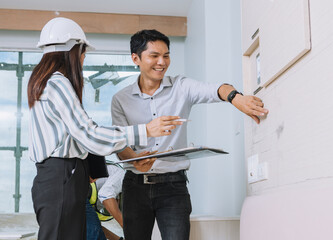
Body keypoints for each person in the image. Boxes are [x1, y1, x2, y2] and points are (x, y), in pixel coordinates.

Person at [28, 18, 181, 240]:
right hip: (62, 177)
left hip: (57, 177)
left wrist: (129, 157)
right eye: (83, 54)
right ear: (75, 50)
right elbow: (89, 134)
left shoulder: (41, 81)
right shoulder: (58, 82)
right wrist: (145, 130)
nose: (82, 60)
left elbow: (76, 136)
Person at [111, 29, 269, 240]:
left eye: (166, 55)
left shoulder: (181, 86)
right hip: (134, 187)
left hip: (173, 187)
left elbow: (216, 89)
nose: (162, 62)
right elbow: (120, 145)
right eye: (154, 56)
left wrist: (235, 98)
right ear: (135, 58)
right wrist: (135, 160)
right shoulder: (120, 100)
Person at [86, 163, 126, 240]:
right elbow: (105, 195)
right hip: (76, 191)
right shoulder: (122, 175)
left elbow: (97, 228)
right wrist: (128, 230)